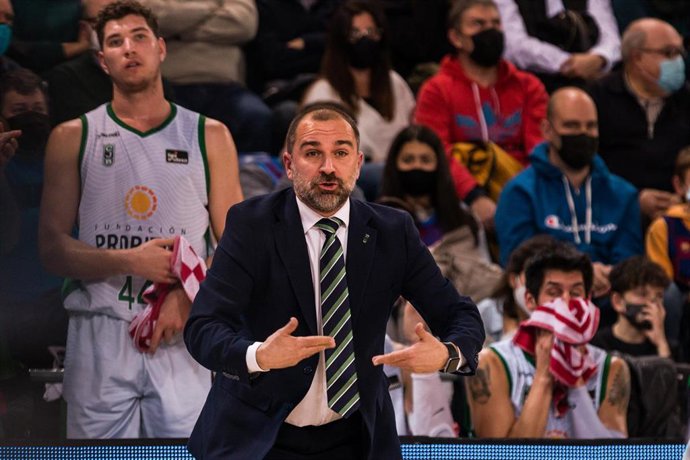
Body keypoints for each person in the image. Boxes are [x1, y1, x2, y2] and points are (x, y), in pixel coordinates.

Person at [183, 102, 484, 459]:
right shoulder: (253, 224)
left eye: (340, 153)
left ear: (357, 164)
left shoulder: (393, 231)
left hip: (356, 437)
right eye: (313, 153)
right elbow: (203, 327)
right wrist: (258, 355)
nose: (328, 167)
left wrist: (446, 355)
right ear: (289, 164)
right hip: (261, 436)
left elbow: (461, 315)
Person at [38, 0, 243, 438]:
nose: (129, 48)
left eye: (139, 37)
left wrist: (189, 298)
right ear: (101, 59)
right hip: (100, 332)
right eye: (115, 41)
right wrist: (130, 261)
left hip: (182, 332)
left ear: (162, 48)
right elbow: (52, 248)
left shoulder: (210, 135)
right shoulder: (72, 137)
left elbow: (237, 248)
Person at [467, 242, 630, 438]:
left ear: (588, 299)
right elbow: (499, 456)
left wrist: (575, 380)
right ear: (530, 300)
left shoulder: (611, 368)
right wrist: (543, 376)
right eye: (554, 293)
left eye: (576, 293)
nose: (566, 303)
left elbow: (613, 456)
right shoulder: (492, 363)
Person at [495, 87, 643, 301]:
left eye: (590, 126)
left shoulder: (623, 194)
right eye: (572, 126)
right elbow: (519, 262)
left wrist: (607, 276)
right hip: (548, 299)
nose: (583, 134)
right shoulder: (519, 192)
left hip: (611, 298)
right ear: (547, 130)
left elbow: (630, 260)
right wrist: (583, 273)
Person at [415, 0, 547, 229]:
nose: (490, 30)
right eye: (478, 24)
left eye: (495, 23)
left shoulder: (529, 86)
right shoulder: (436, 90)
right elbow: (439, 151)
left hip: (525, 192)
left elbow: (540, 148)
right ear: (456, 37)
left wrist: (520, 196)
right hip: (462, 198)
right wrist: (475, 196)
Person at [588, 18, 690, 223]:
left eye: (680, 53)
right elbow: (587, 165)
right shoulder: (597, 97)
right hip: (610, 214)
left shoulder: (687, 98)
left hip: (679, 216)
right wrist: (630, 199)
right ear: (637, 58)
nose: (678, 61)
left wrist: (683, 198)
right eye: (669, 53)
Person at [140, 0, 274, 155]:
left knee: (256, 117)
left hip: (227, 87)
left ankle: (249, 178)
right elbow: (150, 19)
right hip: (168, 86)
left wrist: (179, 32)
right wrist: (212, 7)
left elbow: (244, 24)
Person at [301, 0, 415, 166]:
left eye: (370, 32)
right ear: (341, 40)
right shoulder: (323, 92)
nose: (365, 40)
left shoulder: (395, 82)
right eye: (355, 34)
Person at [494, 0, 621, 92]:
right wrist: (568, 63)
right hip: (534, 84)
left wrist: (601, 57)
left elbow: (610, 36)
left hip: (592, 81)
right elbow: (513, 44)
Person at [477, 234, 559, 345]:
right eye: (533, 278)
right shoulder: (485, 312)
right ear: (513, 280)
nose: (538, 288)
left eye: (551, 287)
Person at [646, 146, 690, 348]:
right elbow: (662, 278)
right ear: (679, 185)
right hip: (678, 297)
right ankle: (669, 351)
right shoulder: (664, 226)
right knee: (669, 293)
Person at [591, 256, 672, 358]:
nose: (652, 303)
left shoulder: (665, 346)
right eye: (642, 294)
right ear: (618, 301)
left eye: (659, 296)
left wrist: (661, 343)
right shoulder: (597, 345)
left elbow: (668, 373)